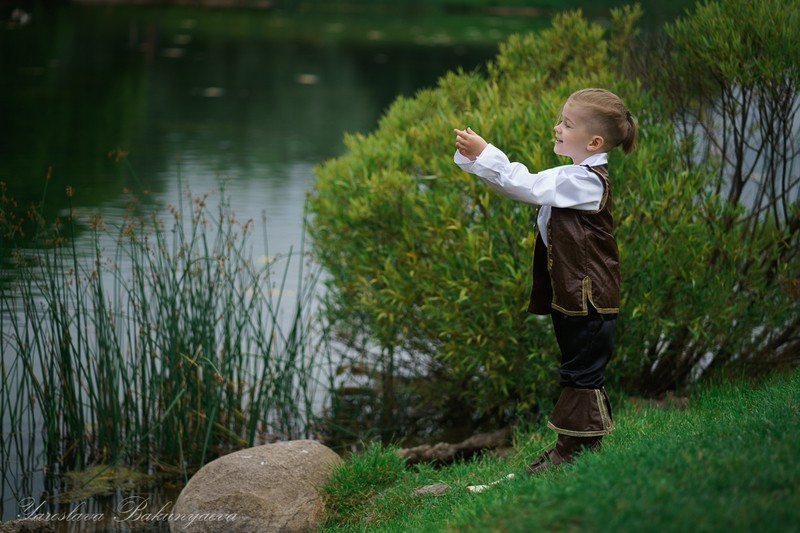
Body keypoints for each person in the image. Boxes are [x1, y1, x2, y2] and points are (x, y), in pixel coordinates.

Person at [453, 88, 637, 475]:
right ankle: (581, 448)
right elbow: (521, 185)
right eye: (560, 120)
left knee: (582, 373)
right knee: (580, 370)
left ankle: (571, 453)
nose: (557, 127)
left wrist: (488, 152)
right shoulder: (572, 175)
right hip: (576, 297)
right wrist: (477, 160)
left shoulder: (588, 183)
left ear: (594, 142)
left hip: (589, 300)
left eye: (567, 124)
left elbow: (528, 186)